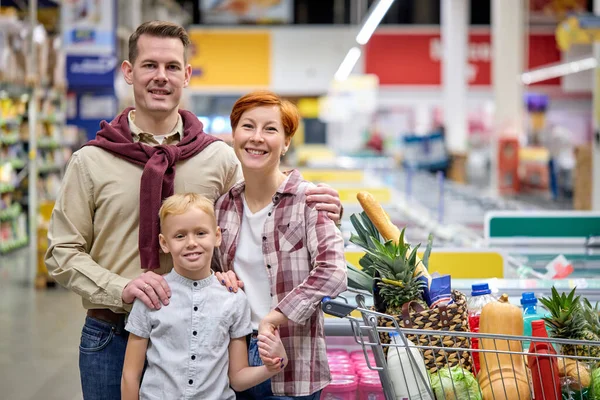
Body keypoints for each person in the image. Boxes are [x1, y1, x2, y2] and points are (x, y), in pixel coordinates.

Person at [44, 21, 342, 399]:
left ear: (186, 75)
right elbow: (61, 252)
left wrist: (323, 206)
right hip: (113, 334)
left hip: (204, 338)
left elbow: (261, 207)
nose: (160, 77)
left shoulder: (216, 157)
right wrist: (122, 288)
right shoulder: (90, 161)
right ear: (128, 72)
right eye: (150, 65)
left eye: (172, 67)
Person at [215, 90, 348, 399]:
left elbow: (333, 272)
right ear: (234, 135)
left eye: (270, 129)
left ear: (286, 142)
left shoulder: (309, 200)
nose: (257, 138)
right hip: (231, 359)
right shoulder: (223, 206)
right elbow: (209, 272)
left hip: (293, 362)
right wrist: (217, 278)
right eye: (248, 126)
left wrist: (274, 317)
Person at [121, 193, 288, 400]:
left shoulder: (234, 299)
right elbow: (130, 375)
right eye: (180, 236)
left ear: (217, 236)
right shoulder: (151, 297)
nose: (191, 243)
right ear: (164, 243)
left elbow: (237, 377)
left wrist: (272, 367)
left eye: (201, 233)